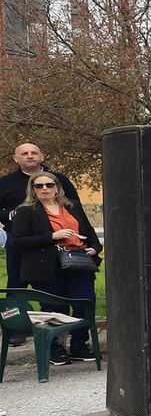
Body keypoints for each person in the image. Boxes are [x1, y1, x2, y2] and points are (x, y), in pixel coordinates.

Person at [8, 171, 100, 364]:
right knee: (53, 308)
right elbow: (18, 241)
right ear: (32, 189)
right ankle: (55, 350)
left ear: (56, 187)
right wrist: (51, 237)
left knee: (85, 302)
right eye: (39, 186)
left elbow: (89, 231)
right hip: (46, 266)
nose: (44, 189)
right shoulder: (26, 211)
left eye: (49, 185)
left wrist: (94, 247)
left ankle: (79, 345)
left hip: (77, 261)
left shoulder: (71, 207)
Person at [1, 142, 82, 287]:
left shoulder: (59, 180)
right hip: (18, 238)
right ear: (15, 158)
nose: (30, 156)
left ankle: (53, 307)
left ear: (42, 156)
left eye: (34, 153)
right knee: (16, 282)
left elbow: (74, 207)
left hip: (56, 238)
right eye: (24, 154)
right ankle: (15, 308)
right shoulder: (5, 183)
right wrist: (9, 215)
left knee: (53, 284)